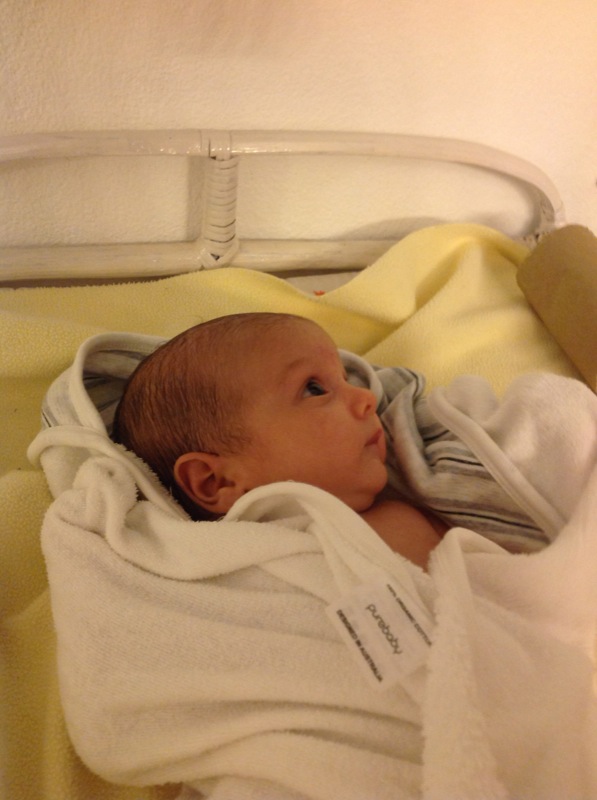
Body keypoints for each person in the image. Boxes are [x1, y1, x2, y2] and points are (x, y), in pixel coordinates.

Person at [113, 312, 448, 569]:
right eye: (314, 389)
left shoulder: (415, 516)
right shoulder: (217, 571)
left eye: (345, 379)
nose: (367, 398)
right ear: (217, 481)